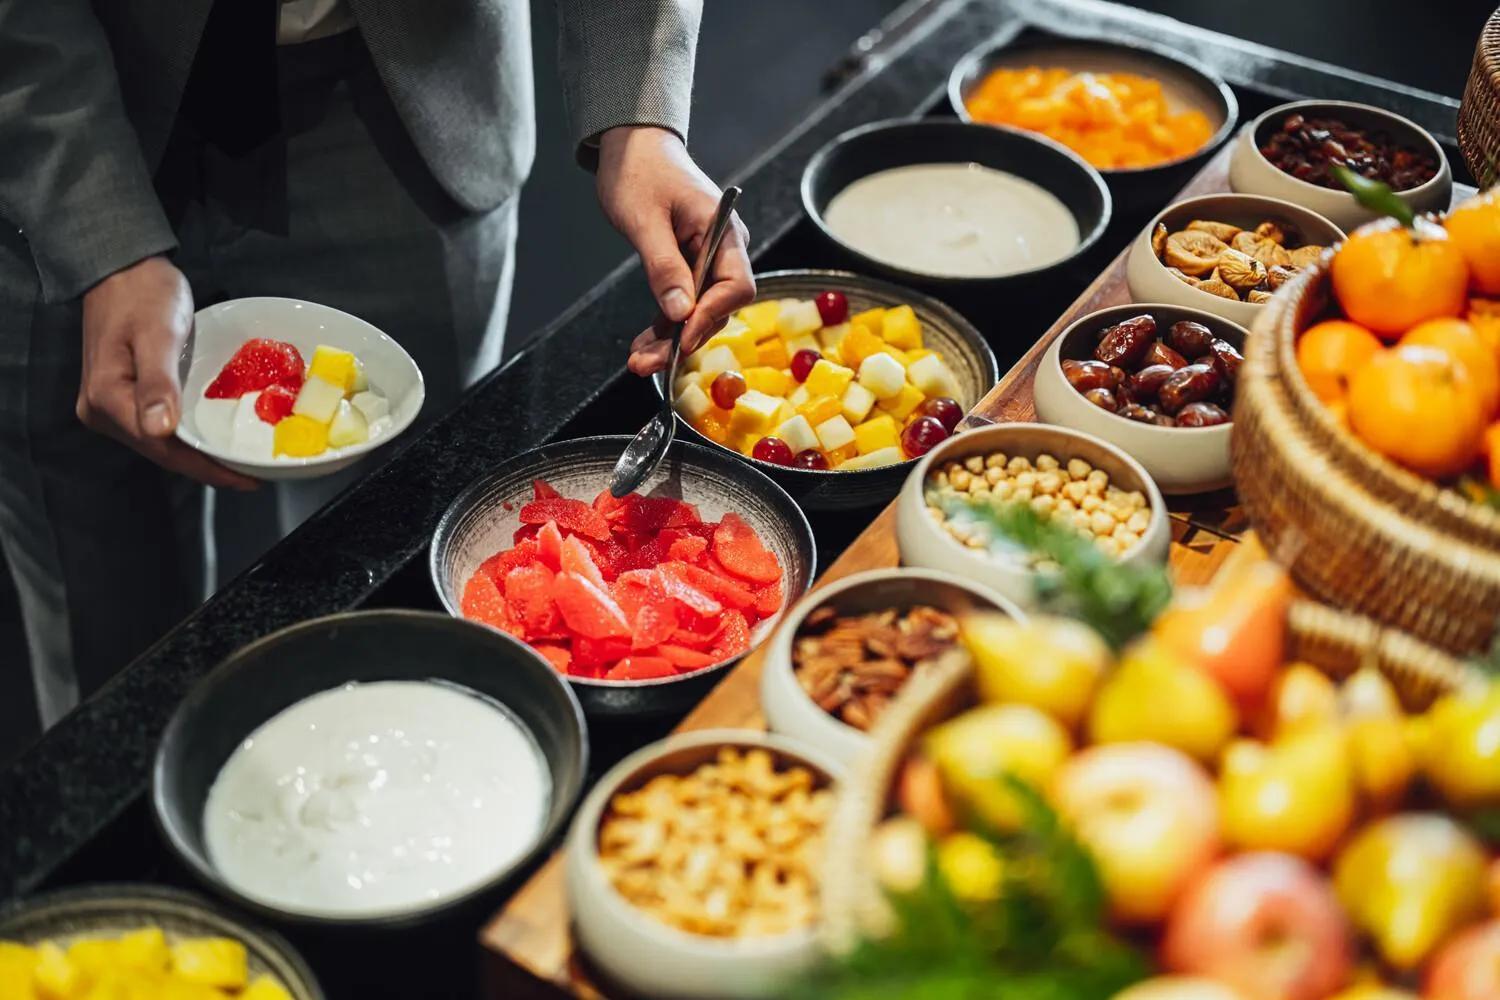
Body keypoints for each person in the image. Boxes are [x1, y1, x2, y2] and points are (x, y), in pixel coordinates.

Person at [0, 0, 754, 731]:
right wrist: (99, 237)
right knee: (104, 640)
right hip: (60, 109)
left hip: (403, 97)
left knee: (399, 575)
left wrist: (640, 110)